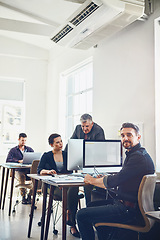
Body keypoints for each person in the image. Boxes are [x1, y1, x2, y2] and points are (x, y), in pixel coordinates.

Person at [77, 122, 155, 240]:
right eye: (123, 135)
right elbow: (124, 177)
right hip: (130, 205)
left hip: (128, 210)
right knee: (91, 205)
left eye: (129, 135)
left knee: (81, 215)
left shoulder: (137, 158)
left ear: (138, 137)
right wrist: (105, 178)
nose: (125, 138)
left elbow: (113, 182)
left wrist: (91, 180)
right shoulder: (137, 154)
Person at [37, 133, 80, 238]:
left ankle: (69, 215)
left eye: (61, 141)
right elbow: (39, 170)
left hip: (67, 184)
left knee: (74, 188)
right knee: (72, 192)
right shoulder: (47, 156)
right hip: (54, 186)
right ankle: (72, 223)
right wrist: (48, 171)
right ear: (52, 144)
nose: (60, 144)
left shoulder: (66, 154)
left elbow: (72, 169)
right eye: (57, 142)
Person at [67, 113, 105, 205]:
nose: (84, 129)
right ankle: (71, 216)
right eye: (82, 126)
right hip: (81, 159)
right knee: (77, 185)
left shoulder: (98, 130)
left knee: (88, 186)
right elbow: (71, 143)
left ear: (92, 124)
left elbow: (100, 149)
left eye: (87, 126)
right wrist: (64, 154)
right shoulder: (77, 128)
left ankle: (89, 208)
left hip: (95, 162)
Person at [6, 133, 34, 204]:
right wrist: (18, 161)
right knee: (21, 177)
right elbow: (8, 160)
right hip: (18, 170)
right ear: (18, 140)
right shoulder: (13, 150)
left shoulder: (29, 149)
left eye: (25, 140)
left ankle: (30, 195)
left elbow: (34, 158)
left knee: (36, 178)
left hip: (28, 170)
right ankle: (23, 196)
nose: (23, 142)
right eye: (22, 140)